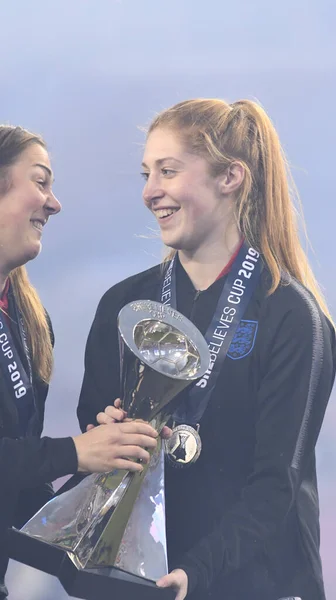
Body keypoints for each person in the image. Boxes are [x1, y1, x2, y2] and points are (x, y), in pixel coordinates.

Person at [77, 99, 336, 600]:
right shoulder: (124, 305)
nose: (151, 191)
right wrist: (108, 434)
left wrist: (198, 571)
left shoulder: (289, 315)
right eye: (146, 173)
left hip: (255, 584)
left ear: (230, 177)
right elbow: (93, 437)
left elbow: (276, 482)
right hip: (144, 581)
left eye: (168, 171)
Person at [0, 125, 166, 600]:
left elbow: (20, 498)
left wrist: (113, 458)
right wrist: (76, 451)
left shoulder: (30, 321)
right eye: (41, 181)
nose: (55, 203)